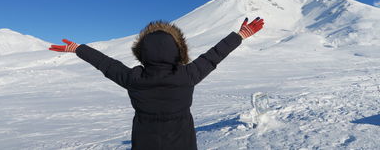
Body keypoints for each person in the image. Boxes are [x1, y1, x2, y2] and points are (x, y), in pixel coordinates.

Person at [49, 17, 264, 150]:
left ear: (142, 53)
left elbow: (105, 64)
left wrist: (78, 49)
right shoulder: (187, 75)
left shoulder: (134, 78)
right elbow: (213, 56)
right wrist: (240, 35)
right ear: (179, 52)